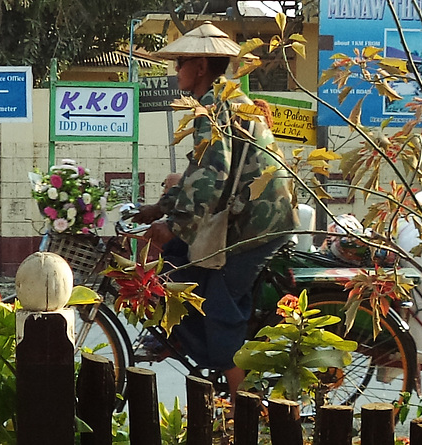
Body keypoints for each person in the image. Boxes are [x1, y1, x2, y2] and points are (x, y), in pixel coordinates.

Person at [134, 21, 297, 403]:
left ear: (202, 66)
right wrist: (162, 207)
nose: (176, 72)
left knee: (222, 313)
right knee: (180, 265)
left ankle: (246, 415)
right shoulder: (226, 100)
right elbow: (197, 174)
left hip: (257, 226)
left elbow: (211, 178)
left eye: (181, 64)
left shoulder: (214, 108)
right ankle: (187, 346)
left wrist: (173, 226)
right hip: (249, 219)